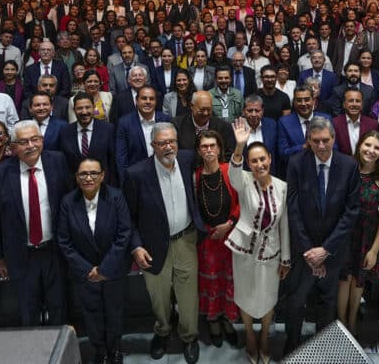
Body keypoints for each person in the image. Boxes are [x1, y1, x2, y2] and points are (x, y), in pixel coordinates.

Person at [123, 122, 204, 363]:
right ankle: (163, 330)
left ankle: (189, 336)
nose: (169, 147)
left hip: (186, 240)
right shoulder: (136, 174)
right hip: (152, 246)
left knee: (188, 294)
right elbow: (128, 216)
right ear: (153, 146)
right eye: (162, 143)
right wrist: (136, 246)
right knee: (158, 296)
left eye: (172, 141)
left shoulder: (188, 159)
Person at [284, 116, 360, 353]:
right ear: (308, 141)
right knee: (297, 301)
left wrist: (326, 250)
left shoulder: (349, 166)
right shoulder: (296, 163)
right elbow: (293, 210)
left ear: (333, 138)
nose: (321, 146)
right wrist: (310, 252)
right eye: (315, 141)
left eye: (325, 140)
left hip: (333, 251)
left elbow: (351, 211)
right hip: (304, 251)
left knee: (328, 302)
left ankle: (321, 348)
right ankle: (292, 344)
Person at [0, 120, 73, 327]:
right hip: (20, 254)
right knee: (28, 308)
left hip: (55, 250)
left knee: (58, 306)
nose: (30, 146)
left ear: (42, 140)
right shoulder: (0, 173)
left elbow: (72, 205)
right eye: (23, 142)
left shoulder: (58, 161)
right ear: (13, 146)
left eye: (35, 139)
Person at [57, 158, 133, 364]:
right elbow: (64, 241)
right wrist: (88, 270)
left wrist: (104, 268)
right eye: (83, 174)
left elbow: (124, 234)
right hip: (85, 273)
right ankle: (100, 351)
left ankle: (115, 349)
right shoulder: (68, 202)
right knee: (92, 313)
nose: (88, 177)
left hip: (113, 269)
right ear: (76, 177)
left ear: (102, 176)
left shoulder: (116, 197)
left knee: (114, 311)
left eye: (93, 173)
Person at [227, 118, 291, 364]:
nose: (259, 164)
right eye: (254, 161)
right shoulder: (243, 180)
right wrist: (240, 147)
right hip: (244, 252)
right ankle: (250, 338)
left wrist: (285, 258)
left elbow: (284, 225)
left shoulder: (283, 187)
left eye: (262, 159)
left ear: (270, 159)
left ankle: (264, 337)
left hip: (271, 254)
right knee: (245, 296)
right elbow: (233, 173)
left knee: (267, 299)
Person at [336, 131, 379, 336]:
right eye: (367, 145)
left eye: (376, 148)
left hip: (367, 237)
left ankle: (352, 320)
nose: (371, 151)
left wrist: (375, 250)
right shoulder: (345, 170)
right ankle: (341, 321)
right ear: (359, 146)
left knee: (359, 279)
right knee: (344, 278)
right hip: (344, 234)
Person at [193, 130, 240, 348]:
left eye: (212, 145)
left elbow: (242, 201)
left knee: (230, 282)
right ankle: (213, 320)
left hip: (230, 238)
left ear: (220, 149)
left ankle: (228, 320)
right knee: (211, 284)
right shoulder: (195, 176)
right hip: (207, 240)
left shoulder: (229, 171)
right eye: (204, 146)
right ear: (198, 151)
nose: (209, 150)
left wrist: (230, 223)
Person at [59, 92, 118, 186]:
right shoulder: (65, 132)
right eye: (79, 108)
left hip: (102, 187)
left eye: (87, 107)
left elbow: (112, 162)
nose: (84, 112)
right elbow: (64, 164)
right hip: (74, 189)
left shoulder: (108, 129)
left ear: (93, 107)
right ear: (74, 110)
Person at [332, 87, 379, 156]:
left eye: (358, 101)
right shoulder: (334, 124)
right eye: (350, 101)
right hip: (343, 165)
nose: (354, 104)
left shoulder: (373, 124)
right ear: (344, 104)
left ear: (362, 105)